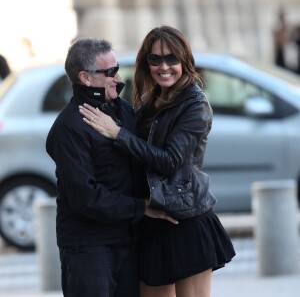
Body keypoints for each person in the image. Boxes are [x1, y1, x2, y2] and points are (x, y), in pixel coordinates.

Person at [79, 26, 236, 297]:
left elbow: (170, 161)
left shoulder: (194, 104)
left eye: (172, 58)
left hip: (185, 220)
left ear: (184, 61)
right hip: (152, 219)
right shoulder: (152, 100)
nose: (164, 66)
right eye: (155, 59)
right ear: (146, 62)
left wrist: (118, 134)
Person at [46, 37, 177, 297]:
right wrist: (142, 207)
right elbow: (86, 196)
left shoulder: (123, 111)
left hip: (128, 241)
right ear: (85, 78)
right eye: (111, 72)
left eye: (117, 69)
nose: (118, 79)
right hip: (89, 248)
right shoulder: (69, 127)